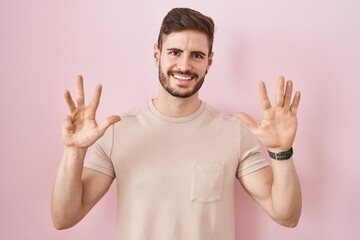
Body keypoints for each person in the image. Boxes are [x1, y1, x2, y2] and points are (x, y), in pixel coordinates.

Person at [51, 7, 302, 240]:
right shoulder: (117, 131)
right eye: (174, 52)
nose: (184, 65)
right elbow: (64, 218)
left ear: (209, 62)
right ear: (156, 54)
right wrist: (74, 152)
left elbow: (286, 216)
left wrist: (281, 152)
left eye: (196, 55)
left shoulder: (233, 132)